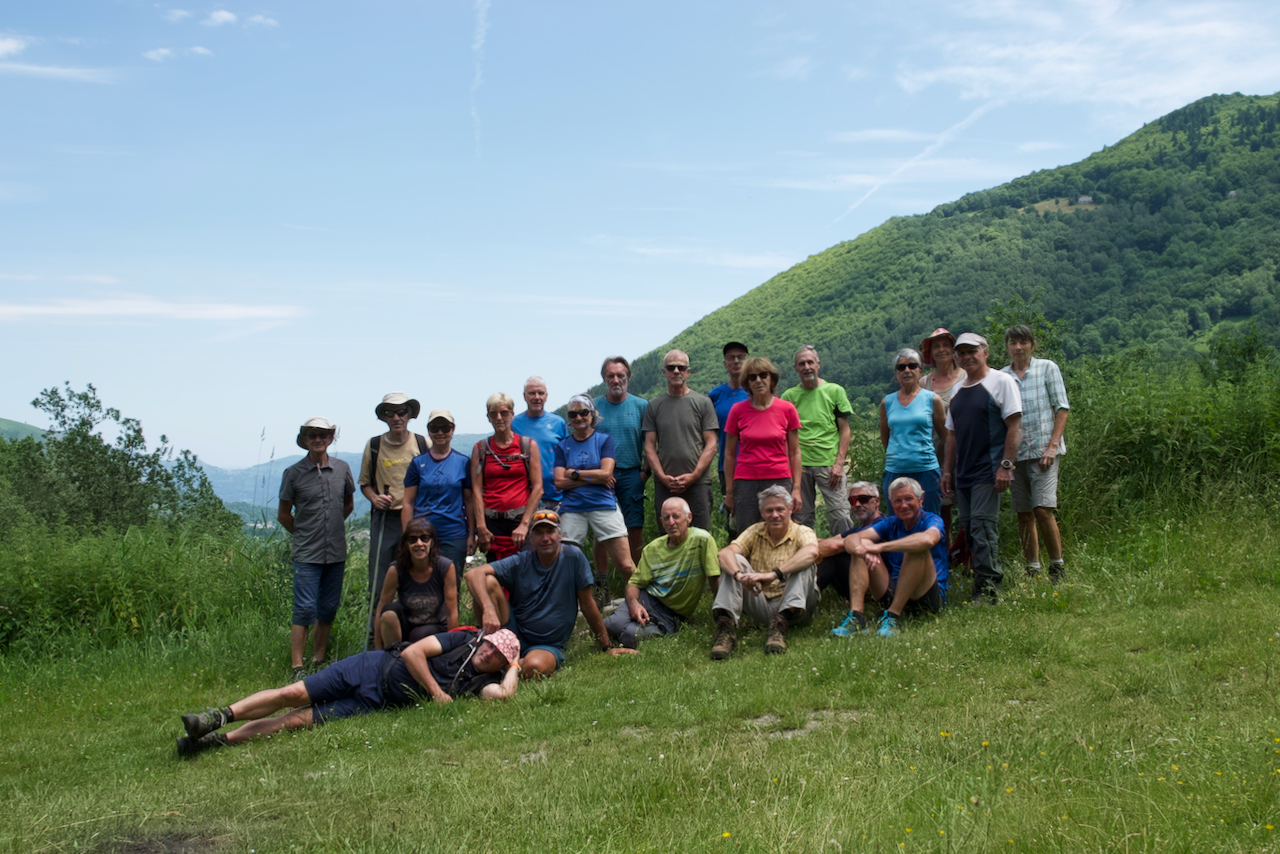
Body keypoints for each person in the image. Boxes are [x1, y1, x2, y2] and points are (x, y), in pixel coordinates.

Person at [175, 628, 523, 755]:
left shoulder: (481, 683)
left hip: (373, 702)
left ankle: (216, 741)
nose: (488, 652)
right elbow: (413, 653)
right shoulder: (461, 641)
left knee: (296, 721)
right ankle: (216, 717)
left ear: (501, 663)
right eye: (490, 645)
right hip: (368, 667)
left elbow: (504, 696)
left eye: (497, 655)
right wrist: (436, 692)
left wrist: (515, 665)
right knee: (292, 694)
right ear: (484, 640)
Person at [466, 510, 636, 679]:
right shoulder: (521, 560)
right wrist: (489, 609)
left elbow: (588, 604)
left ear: (560, 535)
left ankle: (500, 666)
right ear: (531, 539)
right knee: (487, 582)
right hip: (512, 632)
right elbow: (473, 574)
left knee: (534, 667)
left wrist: (606, 646)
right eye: (539, 533)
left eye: (550, 532)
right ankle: (492, 646)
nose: (545, 538)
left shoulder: (573, 558)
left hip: (547, 644)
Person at [942, 333, 1022, 604]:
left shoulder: (1001, 381)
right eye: (961, 353)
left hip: (989, 470)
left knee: (983, 528)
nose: (967, 357)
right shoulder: (957, 391)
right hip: (963, 474)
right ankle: (980, 583)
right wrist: (947, 472)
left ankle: (989, 590)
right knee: (969, 528)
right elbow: (951, 436)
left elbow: (1014, 425)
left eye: (972, 351)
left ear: (985, 352)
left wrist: (1006, 466)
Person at [278, 417, 354, 679]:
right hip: (307, 553)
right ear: (305, 440)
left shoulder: (342, 469)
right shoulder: (293, 473)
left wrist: (332, 527)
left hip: (336, 551)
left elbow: (348, 504)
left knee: (329, 607)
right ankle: (297, 666)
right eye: (312, 435)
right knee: (304, 608)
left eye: (323, 434)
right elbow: (283, 514)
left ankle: (318, 659)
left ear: (331, 438)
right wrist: (303, 534)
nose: (318, 439)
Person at [709, 485, 820, 658]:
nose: (775, 515)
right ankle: (726, 630)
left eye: (780, 509)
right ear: (761, 512)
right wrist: (740, 576)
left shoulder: (802, 532)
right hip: (760, 599)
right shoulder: (755, 531)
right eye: (769, 510)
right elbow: (724, 554)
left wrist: (774, 574)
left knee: (805, 564)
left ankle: (780, 626)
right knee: (734, 561)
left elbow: (812, 552)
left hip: (796, 606)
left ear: (790, 509)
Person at [1000, 324, 1070, 582]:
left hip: (1043, 453)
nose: (1018, 347)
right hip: (1016, 456)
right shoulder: (1002, 376)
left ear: (1032, 344)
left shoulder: (1047, 368)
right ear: (1007, 347)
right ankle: (1033, 569)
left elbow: (1062, 408)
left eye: (1023, 342)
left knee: (1042, 509)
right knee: (1024, 513)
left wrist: (1053, 446)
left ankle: (1057, 566)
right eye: (1013, 343)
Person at [839, 477, 949, 638]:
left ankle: (893, 617)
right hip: (894, 591)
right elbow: (851, 539)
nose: (903, 505)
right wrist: (863, 550)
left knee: (916, 548)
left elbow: (927, 540)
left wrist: (879, 547)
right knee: (860, 547)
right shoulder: (891, 523)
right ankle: (856, 617)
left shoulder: (932, 520)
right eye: (898, 501)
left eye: (909, 499)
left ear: (921, 499)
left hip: (926, 595)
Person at [603, 497, 720, 648]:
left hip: (671, 613)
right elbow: (634, 583)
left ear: (689, 517)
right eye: (666, 518)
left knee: (630, 635)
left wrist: (721, 614)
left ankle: (627, 632)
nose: (671, 522)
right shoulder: (652, 549)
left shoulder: (702, 540)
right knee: (608, 625)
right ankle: (623, 624)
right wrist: (634, 605)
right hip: (646, 598)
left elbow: (714, 578)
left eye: (676, 516)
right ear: (662, 521)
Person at [553, 394, 638, 602]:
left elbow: (607, 473)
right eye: (573, 414)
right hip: (572, 508)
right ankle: (578, 603)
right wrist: (594, 477)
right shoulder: (562, 446)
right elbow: (559, 481)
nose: (578, 417)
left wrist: (574, 473)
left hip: (603, 505)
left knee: (625, 564)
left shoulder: (604, 440)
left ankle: (645, 600)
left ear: (592, 414)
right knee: (565, 565)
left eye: (583, 412)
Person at [358, 392, 427, 641]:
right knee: (379, 581)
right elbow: (365, 483)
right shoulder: (374, 445)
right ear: (384, 417)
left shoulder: (422, 443)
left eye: (401, 412)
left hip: (416, 519)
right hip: (385, 519)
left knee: (416, 577)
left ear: (409, 414)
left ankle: (413, 634)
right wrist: (374, 498)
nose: (396, 417)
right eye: (390, 413)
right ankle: (375, 637)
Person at [642, 349, 719, 530]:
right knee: (667, 535)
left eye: (681, 368)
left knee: (701, 534)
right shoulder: (654, 405)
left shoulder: (703, 403)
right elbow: (649, 446)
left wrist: (694, 475)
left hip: (698, 483)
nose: (676, 371)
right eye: (671, 368)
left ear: (688, 372)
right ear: (664, 372)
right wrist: (662, 477)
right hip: (665, 485)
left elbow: (711, 443)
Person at [723, 356, 802, 532]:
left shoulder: (787, 409)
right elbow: (729, 454)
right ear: (747, 383)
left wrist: (796, 489)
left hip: (779, 478)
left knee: (781, 530)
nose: (758, 380)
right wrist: (729, 492)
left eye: (763, 375)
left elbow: (795, 452)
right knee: (747, 531)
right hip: (746, 481)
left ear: (771, 378)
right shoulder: (737, 410)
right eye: (752, 377)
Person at [781, 345, 853, 535]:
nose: (806, 367)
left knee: (840, 514)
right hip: (800, 465)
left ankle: (845, 550)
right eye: (801, 364)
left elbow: (845, 430)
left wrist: (839, 463)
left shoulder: (834, 391)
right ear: (796, 368)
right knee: (801, 516)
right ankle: (807, 552)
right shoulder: (789, 396)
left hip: (829, 464)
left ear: (818, 365)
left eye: (810, 362)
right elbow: (785, 435)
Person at [402, 410, 477, 584]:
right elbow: (408, 502)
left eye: (445, 427)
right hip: (422, 535)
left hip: (454, 534)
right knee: (423, 584)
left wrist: (471, 534)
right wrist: (407, 536)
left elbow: (469, 501)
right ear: (429, 430)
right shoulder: (418, 463)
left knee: (451, 584)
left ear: (453, 429)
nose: (440, 432)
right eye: (435, 428)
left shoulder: (463, 462)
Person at [471, 392, 543, 563]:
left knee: (526, 568)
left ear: (512, 414)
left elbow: (538, 488)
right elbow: (476, 490)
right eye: (493, 414)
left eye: (504, 413)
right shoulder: (480, 449)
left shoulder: (527, 446)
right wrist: (481, 526)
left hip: (521, 519)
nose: (499, 418)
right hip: (492, 525)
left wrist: (524, 525)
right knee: (496, 572)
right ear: (488, 417)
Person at [593, 356, 649, 571]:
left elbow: (651, 443)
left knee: (634, 528)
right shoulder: (594, 407)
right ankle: (603, 583)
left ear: (628, 378)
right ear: (604, 378)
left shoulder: (641, 406)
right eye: (611, 376)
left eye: (620, 375)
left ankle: (638, 580)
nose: (616, 380)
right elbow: (586, 441)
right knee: (601, 532)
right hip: (601, 477)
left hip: (632, 474)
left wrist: (644, 474)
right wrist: (598, 474)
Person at [372, 518, 458, 650]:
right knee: (388, 613)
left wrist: (453, 647)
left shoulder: (445, 567)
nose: (419, 544)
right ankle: (392, 655)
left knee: (419, 635)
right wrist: (377, 650)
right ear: (406, 544)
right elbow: (381, 608)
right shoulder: (396, 570)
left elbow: (452, 612)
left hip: (436, 627)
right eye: (412, 540)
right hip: (407, 625)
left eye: (424, 538)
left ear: (432, 542)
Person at [880, 348, 946, 516]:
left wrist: (936, 461)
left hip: (926, 470)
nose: (907, 370)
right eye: (901, 367)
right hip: (895, 470)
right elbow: (886, 438)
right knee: (897, 521)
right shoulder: (887, 402)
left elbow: (944, 436)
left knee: (929, 519)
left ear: (920, 370)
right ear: (896, 373)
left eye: (912, 366)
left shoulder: (932, 399)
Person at [816, 481, 885, 630]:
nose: (857, 504)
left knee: (835, 555)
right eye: (852, 501)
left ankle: (802, 597)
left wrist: (806, 551)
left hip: (876, 588)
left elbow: (834, 546)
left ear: (877, 501)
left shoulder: (880, 525)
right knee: (828, 551)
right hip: (858, 581)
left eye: (863, 499)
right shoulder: (859, 528)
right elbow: (829, 541)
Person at [920, 328, 963, 541]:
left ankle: (968, 553)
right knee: (941, 504)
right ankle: (944, 552)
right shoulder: (924, 383)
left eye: (946, 345)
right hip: (935, 453)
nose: (941, 350)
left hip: (964, 449)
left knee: (968, 504)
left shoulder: (965, 376)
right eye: (936, 346)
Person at [708, 342, 750, 534]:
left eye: (741, 357)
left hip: (755, 464)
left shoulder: (756, 392)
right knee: (733, 519)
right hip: (727, 466)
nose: (736, 361)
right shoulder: (715, 395)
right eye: (731, 358)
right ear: (725, 364)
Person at [512, 376, 568, 510]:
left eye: (540, 393)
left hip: (557, 497)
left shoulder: (558, 423)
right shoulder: (514, 424)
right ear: (524, 396)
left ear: (546, 396)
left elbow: (568, 457)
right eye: (532, 393)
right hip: (526, 498)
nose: (537, 397)